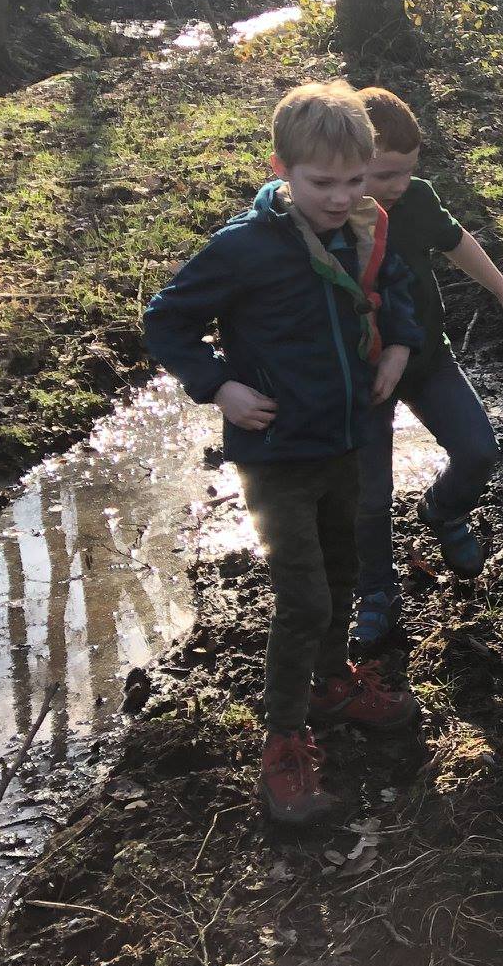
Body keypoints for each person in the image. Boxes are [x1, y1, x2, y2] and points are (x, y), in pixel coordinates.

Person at [145, 81, 426, 825]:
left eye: (355, 180)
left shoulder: (364, 228)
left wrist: (398, 344)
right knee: (302, 597)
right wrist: (219, 386)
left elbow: (392, 288)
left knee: (341, 571)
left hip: (344, 440)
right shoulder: (244, 248)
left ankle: (331, 682)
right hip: (275, 455)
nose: (340, 197)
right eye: (321, 183)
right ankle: (283, 741)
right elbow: (167, 321)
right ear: (281, 170)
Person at [351, 87, 503, 650]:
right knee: (370, 494)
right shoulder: (329, 219)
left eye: (408, 172)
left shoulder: (417, 201)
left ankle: (444, 510)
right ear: (346, 160)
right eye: (385, 175)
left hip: (428, 357)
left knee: (480, 449)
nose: (398, 187)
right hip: (362, 379)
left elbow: (458, 243)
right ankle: (377, 593)